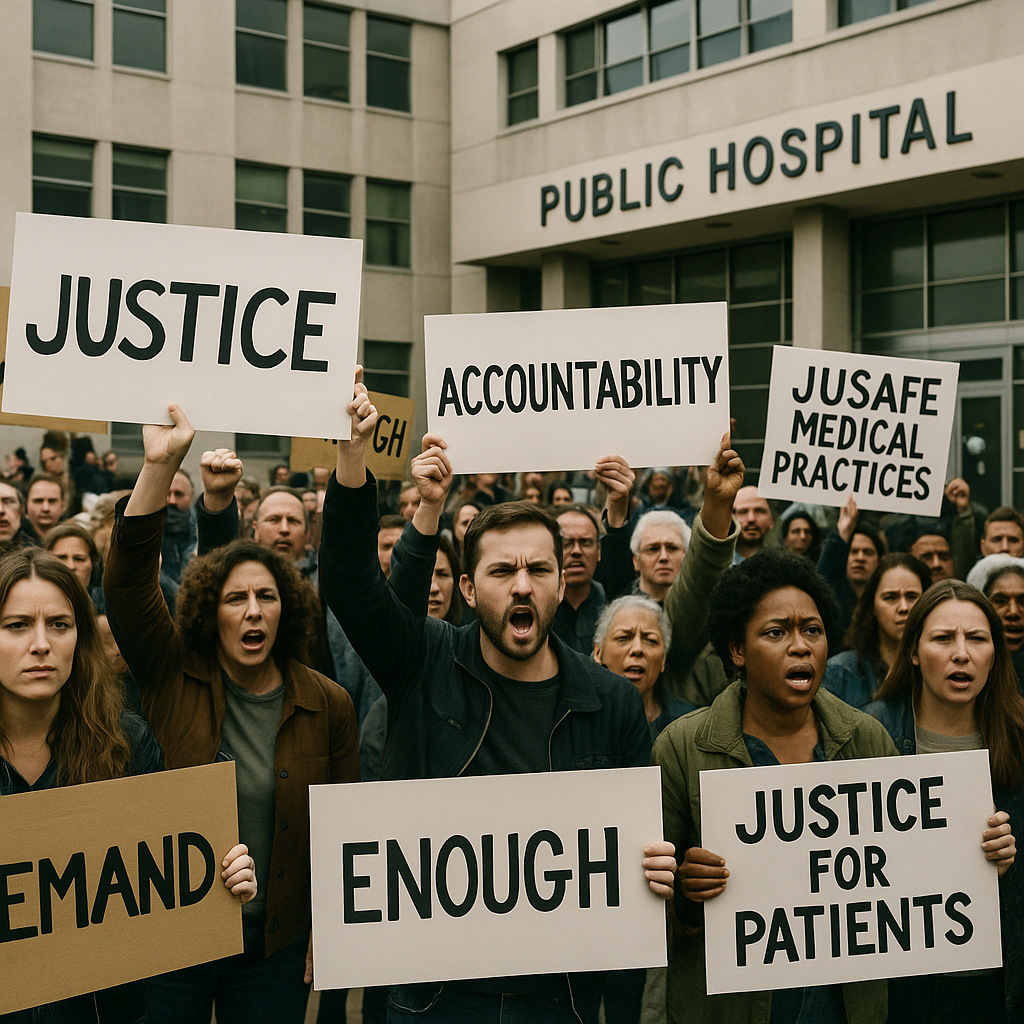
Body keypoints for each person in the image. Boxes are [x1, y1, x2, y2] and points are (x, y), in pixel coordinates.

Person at [321, 373, 676, 1024]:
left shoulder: (610, 702)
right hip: (429, 997)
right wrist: (355, 460)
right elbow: (349, 584)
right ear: (466, 585)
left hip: (558, 1000)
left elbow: (633, 869)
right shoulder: (421, 664)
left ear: (563, 577)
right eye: (501, 571)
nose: (522, 586)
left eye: (538, 570)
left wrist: (653, 861)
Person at [102, 406, 359, 1024]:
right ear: (206, 612)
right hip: (173, 936)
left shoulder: (327, 702)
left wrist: (334, 927)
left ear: (286, 609)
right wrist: (161, 467)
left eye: (266, 597)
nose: (252, 612)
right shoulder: (171, 675)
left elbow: (344, 832)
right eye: (235, 598)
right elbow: (129, 587)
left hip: (273, 946)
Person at [0, 547, 256, 1024]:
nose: (40, 644)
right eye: (17, 625)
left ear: (80, 637)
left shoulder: (128, 743)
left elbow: (168, 876)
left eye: (59, 624)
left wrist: (223, 877)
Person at [653, 549, 900, 1024]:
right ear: (737, 650)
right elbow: (649, 909)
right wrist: (684, 890)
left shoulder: (868, 739)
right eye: (775, 632)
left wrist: (973, 849)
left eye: (812, 629)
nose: (801, 646)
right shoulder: (682, 748)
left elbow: (905, 875)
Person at [866, 580, 1021, 1022]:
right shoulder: (865, 735)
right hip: (898, 986)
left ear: (996, 653)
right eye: (942, 638)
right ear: (913, 651)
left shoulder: (1020, 737)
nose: (961, 653)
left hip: (995, 985)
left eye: (976, 638)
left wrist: (1010, 865)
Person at [823, 553, 932, 709]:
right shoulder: (839, 673)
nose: (903, 607)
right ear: (872, 606)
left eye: (912, 596)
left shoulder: (937, 670)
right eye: (890, 597)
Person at [594, 595, 692, 740]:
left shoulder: (687, 725)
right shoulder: (577, 722)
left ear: (663, 659)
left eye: (651, 640)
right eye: (623, 638)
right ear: (598, 653)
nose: (637, 649)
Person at [817, 496, 886, 635]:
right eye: (854, 552)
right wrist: (843, 531)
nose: (860, 558)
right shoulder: (834, 596)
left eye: (867, 552)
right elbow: (825, 572)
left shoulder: (887, 598)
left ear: (879, 560)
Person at [629, 510, 690, 603]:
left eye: (672, 548)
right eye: (653, 549)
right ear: (636, 560)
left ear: (686, 556)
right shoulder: (621, 612)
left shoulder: (703, 609)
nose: (663, 557)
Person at [43, 520, 104, 611]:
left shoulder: (108, 615)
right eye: (61, 557)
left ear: (92, 566)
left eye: (79, 559)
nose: (70, 566)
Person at [732, 485, 773, 561]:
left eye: (759, 511)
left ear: (771, 521)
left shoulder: (783, 566)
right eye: (743, 512)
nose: (751, 519)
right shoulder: (715, 565)